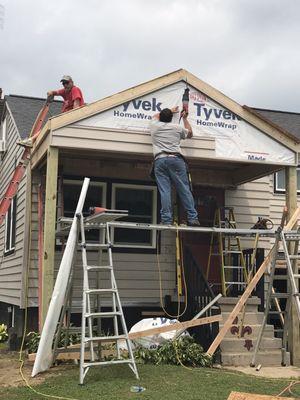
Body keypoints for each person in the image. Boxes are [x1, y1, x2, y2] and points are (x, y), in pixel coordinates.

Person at [150, 106, 200, 226]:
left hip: (160, 160)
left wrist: (170, 110)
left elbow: (155, 116)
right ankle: (192, 218)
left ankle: (167, 220)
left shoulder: (154, 126)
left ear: (161, 118)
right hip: (176, 160)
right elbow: (190, 134)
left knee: (165, 191)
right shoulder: (177, 128)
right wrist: (185, 119)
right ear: (172, 118)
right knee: (184, 189)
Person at [17, 75, 84, 147]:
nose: (65, 85)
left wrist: (70, 119)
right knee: (48, 126)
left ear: (71, 82)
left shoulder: (75, 89)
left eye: (67, 83)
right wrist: (50, 93)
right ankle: (31, 140)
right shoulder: (65, 91)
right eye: (63, 83)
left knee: (50, 124)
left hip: (70, 118)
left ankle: (31, 140)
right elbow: (54, 92)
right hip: (65, 117)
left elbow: (76, 107)